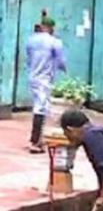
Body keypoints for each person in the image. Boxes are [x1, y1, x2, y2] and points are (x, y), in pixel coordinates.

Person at [25, 16, 66, 154]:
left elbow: (29, 57)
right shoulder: (55, 42)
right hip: (45, 78)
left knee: (39, 106)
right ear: (51, 28)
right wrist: (64, 69)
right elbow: (61, 62)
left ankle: (37, 139)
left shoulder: (31, 40)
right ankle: (35, 141)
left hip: (33, 76)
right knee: (41, 108)